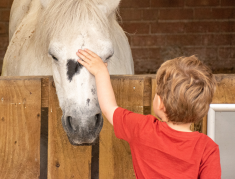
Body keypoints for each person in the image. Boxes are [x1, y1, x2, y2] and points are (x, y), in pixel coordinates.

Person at [77, 49, 221, 179]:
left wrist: (100, 72)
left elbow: (109, 108)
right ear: (202, 108)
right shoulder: (208, 148)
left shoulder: (143, 128)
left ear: (160, 103)